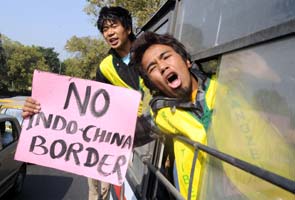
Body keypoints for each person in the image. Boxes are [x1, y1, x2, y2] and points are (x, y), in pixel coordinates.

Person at [22, 6, 153, 200]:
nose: (109, 32)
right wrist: (39, 109)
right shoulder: (105, 66)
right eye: (104, 29)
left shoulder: (150, 50)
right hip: (131, 139)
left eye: (113, 26)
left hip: (158, 131)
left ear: (128, 28)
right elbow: (92, 109)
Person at [130, 32, 217, 199]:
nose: (162, 67)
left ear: (187, 61)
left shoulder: (227, 86)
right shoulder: (163, 116)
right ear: (152, 84)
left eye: (166, 57)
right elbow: (124, 134)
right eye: (152, 68)